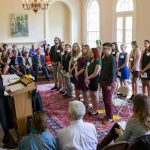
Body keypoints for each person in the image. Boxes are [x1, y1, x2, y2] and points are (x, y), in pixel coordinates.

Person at [100, 42, 117, 123]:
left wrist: (110, 84)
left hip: (109, 82)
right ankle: (107, 114)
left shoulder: (112, 59)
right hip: (103, 81)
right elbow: (102, 70)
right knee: (104, 99)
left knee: (108, 100)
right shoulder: (104, 58)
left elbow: (113, 73)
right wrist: (100, 81)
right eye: (103, 48)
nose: (103, 50)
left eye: (104, 48)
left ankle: (110, 118)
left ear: (109, 49)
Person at [86, 48, 102, 115]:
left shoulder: (98, 61)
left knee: (95, 95)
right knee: (91, 94)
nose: (90, 53)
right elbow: (86, 69)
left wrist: (88, 78)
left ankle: (96, 110)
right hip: (89, 78)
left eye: (92, 52)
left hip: (95, 79)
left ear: (95, 53)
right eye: (90, 52)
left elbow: (95, 73)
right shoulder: (89, 60)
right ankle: (93, 108)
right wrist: (87, 77)